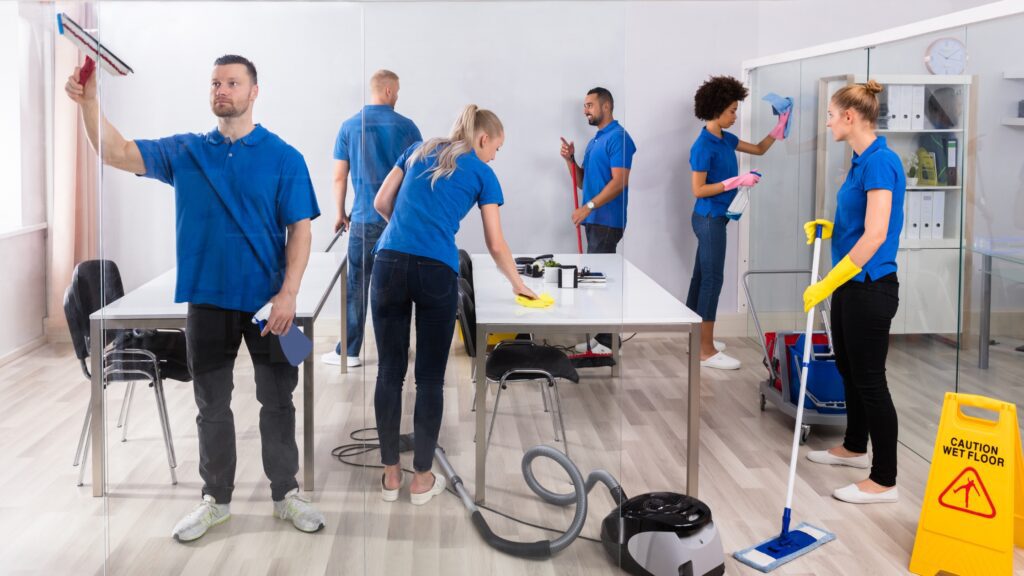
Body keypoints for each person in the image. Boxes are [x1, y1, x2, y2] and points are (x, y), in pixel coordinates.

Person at [65, 54, 326, 541]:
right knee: (211, 405)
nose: (221, 90)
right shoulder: (186, 151)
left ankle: (285, 494)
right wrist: (90, 102)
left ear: (254, 92)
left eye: (232, 82)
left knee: (277, 401)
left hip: (268, 304)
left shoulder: (284, 157)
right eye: (215, 83)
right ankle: (216, 500)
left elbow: (301, 230)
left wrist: (289, 293)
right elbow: (116, 150)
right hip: (206, 300)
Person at [372, 105, 536, 504]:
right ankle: (422, 479)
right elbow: (496, 245)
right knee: (429, 378)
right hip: (435, 272)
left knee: (389, 372)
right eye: (496, 148)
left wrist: (408, 232)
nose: (495, 156)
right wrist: (519, 285)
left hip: (388, 261)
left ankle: (391, 476)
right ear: (483, 139)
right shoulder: (483, 172)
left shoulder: (417, 149)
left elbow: (380, 202)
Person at [804, 80, 904, 504]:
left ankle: (884, 480)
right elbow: (859, 220)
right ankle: (853, 447)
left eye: (830, 116)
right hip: (850, 282)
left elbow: (877, 233)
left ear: (849, 116)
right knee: (848, 368)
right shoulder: (861, 161)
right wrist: (831, 229)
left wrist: (829, 280)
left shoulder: (881, 162)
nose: (827, 124)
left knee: (869, 380)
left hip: (869, 286)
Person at [322, 70, 422, 369]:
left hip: (363, 219)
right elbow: (416, 175)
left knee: (357, 286)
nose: (399, 95)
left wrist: (339, 213)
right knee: (397, 287)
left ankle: (349, 351)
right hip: (397, 221)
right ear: (389, 91)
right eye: (399, 90)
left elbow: (339, 176)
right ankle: (397, 351)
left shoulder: (349, 126)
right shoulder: (408, 127)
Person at [687, 75, 788, 370]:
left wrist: (778, 129)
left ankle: (697, 340)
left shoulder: (724, 138)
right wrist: (734, 182)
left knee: (700, 278)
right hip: (708, 219)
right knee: (712, 280)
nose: (735, 115)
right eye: (732, 110)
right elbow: (698, 189)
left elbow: (758, 149)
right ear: (717, 109)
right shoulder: (703, 146)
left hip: (715, 217)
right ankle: (705, 350)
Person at [559, 87, 637, 354]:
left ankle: (608, 342)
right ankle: (601, 337)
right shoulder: (595, 141)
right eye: (584, 106)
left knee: (599, 281)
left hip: (607, 220)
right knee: (595, 279)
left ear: (606, 106)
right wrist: (570, 160)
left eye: (590, 105)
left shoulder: (620, 139)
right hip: (594, 219)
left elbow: (620, 182)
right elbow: (584, 182)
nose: (585, 110)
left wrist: (588, 207)